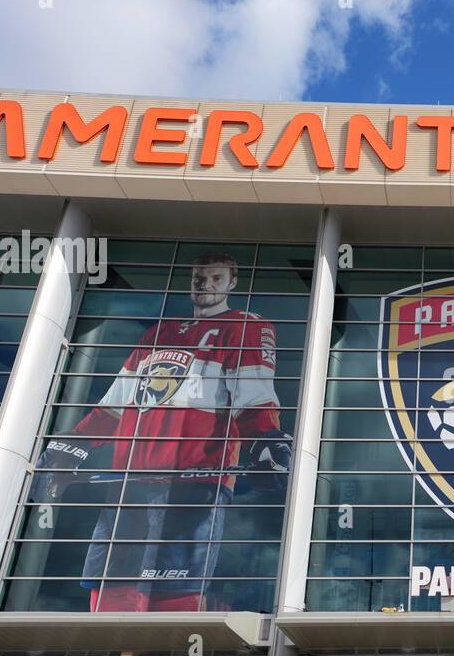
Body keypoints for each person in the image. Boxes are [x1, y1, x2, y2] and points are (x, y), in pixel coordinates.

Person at [33, 251, 292, 612]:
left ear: (232, 284)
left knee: (173, 592)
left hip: (193, 483)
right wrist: (73, 444)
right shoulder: (159, 333)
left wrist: (266, 440)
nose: (206, 285)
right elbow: (116, 403)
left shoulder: (247, 326)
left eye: (216, 278)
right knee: (110, 586)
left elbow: (255, 395)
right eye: (200, 278)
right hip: (128, 483)